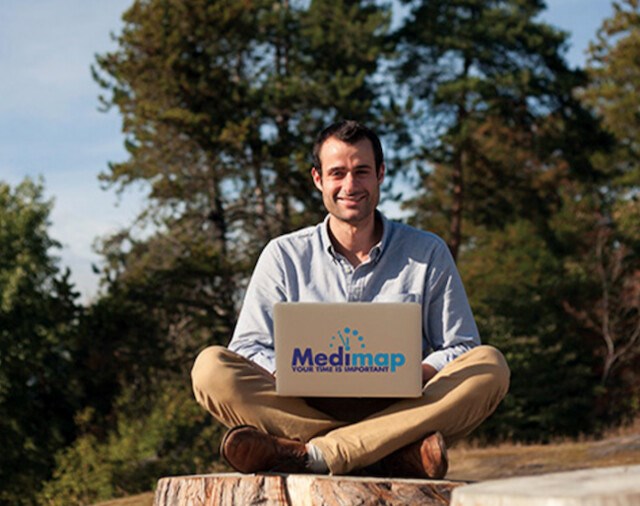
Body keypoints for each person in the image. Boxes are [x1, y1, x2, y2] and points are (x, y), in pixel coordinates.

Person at [191, 120, 510, 479]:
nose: (350, 185)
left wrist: (413, 372)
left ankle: (315, 454)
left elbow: (462, 346)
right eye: (337, 173)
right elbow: (248, 346)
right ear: (318, 179)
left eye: (361, 172)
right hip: (301, 405)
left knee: (490, 366)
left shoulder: (428, 251)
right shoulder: (283, 255)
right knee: (210, 368)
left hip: (404, 403)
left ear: (380, 174)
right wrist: (290, 371)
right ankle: (386, 453)